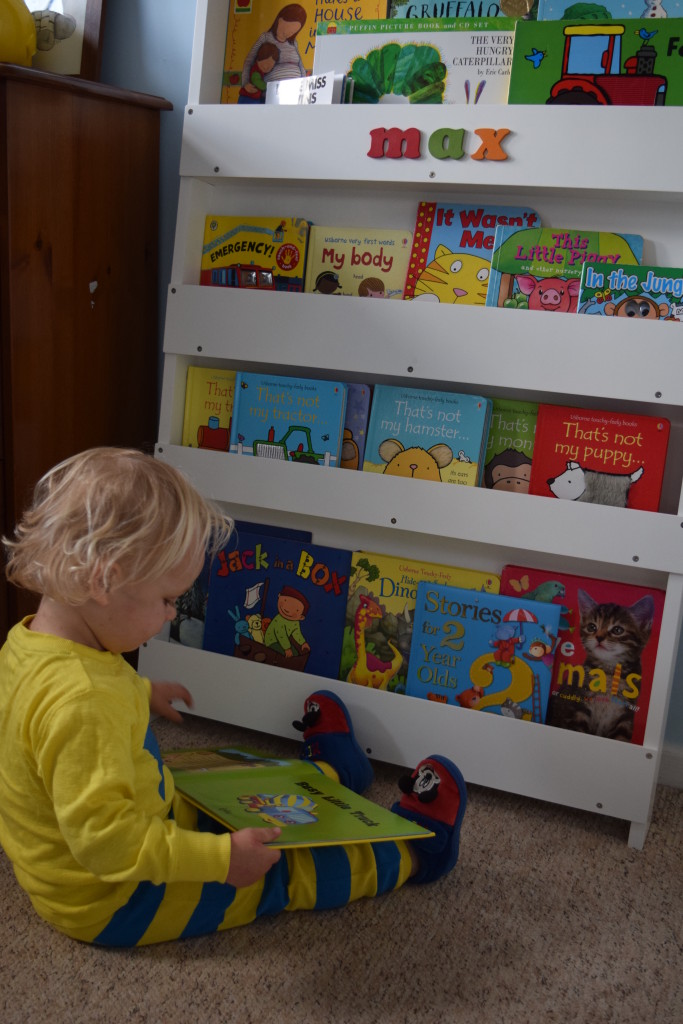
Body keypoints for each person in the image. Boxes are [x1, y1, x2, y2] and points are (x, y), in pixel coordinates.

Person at [0, 447, 467, 946]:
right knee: (283, 871)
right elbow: (108, 845)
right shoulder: (84, 703)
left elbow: (58, 719)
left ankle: (335, 776)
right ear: (105, 581)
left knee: (232, 785)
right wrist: (221, 861)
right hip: (116, 897)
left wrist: (139, 693)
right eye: (166, 599)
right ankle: (419, 852)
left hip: (111, 838)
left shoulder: (31, 642)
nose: (171, 615)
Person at [238, 4, 306, 104]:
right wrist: (246, 83)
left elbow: (300, 65)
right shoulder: (265, 38)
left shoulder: (293, 43)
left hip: (294, 96)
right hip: (271, 97)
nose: (289, 33)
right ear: (280, 20)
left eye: (293, 31)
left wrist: (305, 87)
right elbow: (249, 60)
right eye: (288, 28)